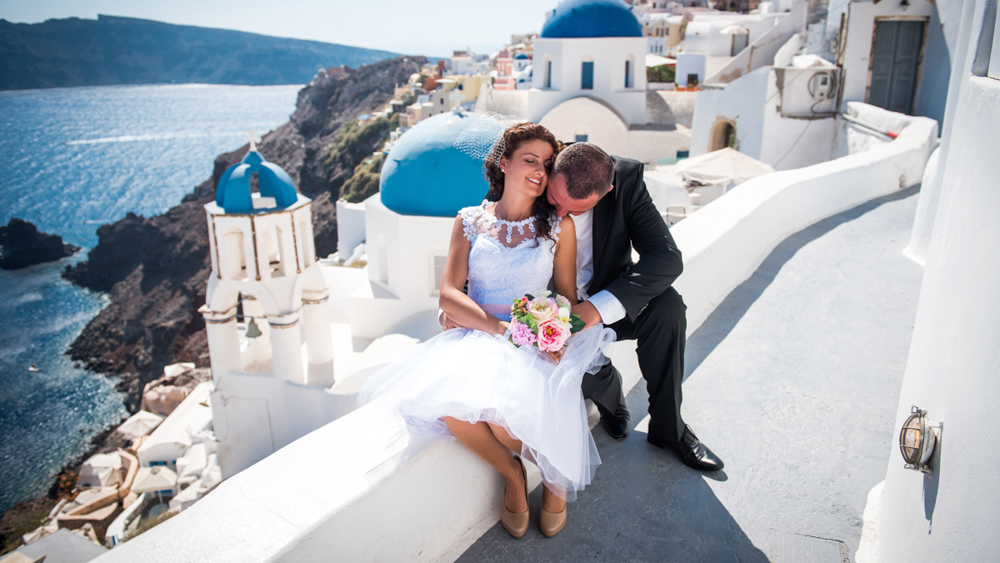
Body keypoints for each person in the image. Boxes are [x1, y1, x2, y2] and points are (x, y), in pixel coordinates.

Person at [359, 123, 613, 539]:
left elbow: (565, 296)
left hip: (532, 339)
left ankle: (553, 480)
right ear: (503, 163)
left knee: (504, 423)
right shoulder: (469, 221)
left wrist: (553, 332)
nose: (538, 170)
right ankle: (512, 475)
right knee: (452, 403)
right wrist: (499, 328)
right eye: (530, 160)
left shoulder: (557, 228)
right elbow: (447, 294)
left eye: (547, 165)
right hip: (481, 335)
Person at [546, 142, 724, 472]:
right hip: (550, 310)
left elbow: (666, 258)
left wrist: (595, 310)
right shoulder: (535, 170)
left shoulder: (626, 180)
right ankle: (612, 403)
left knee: (668, 308)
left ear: (607, 191)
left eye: (575, 211)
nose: (559, 214)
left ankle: (670, 431)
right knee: (570, 380)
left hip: (607, 303)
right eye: (555, 200)